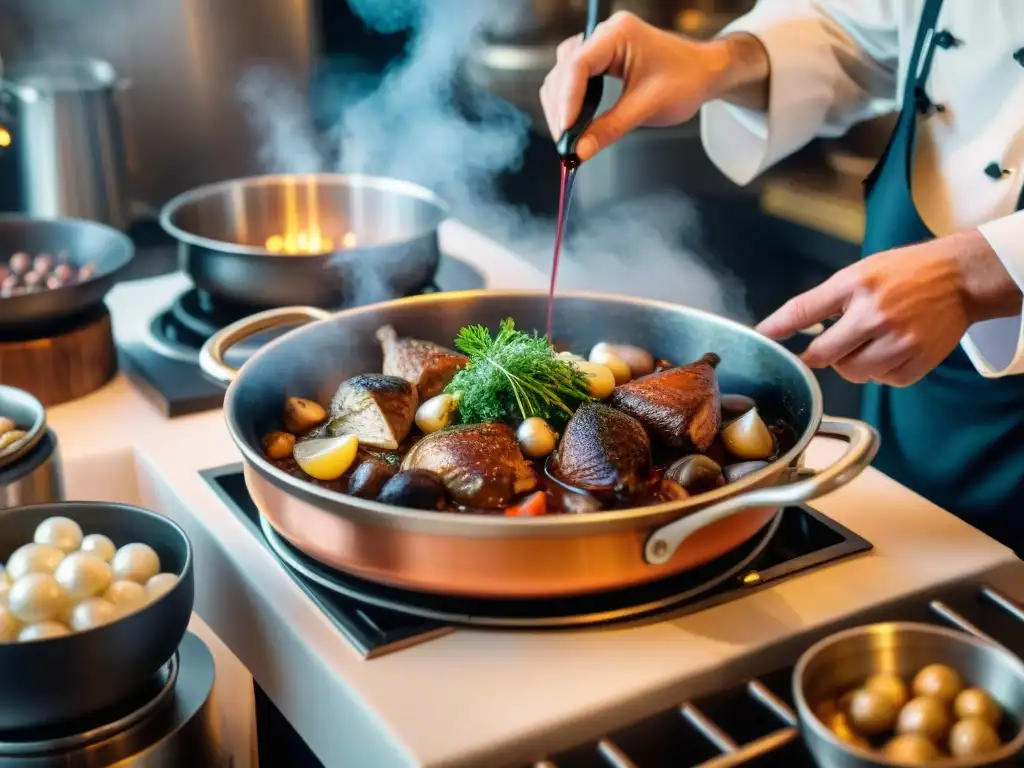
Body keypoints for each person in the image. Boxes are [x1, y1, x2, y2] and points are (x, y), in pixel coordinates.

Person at [539, 0, 1024, 551]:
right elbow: (861, 30)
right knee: (929, 558)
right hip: (916, 398)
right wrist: (720, 62)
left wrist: (978, 272)